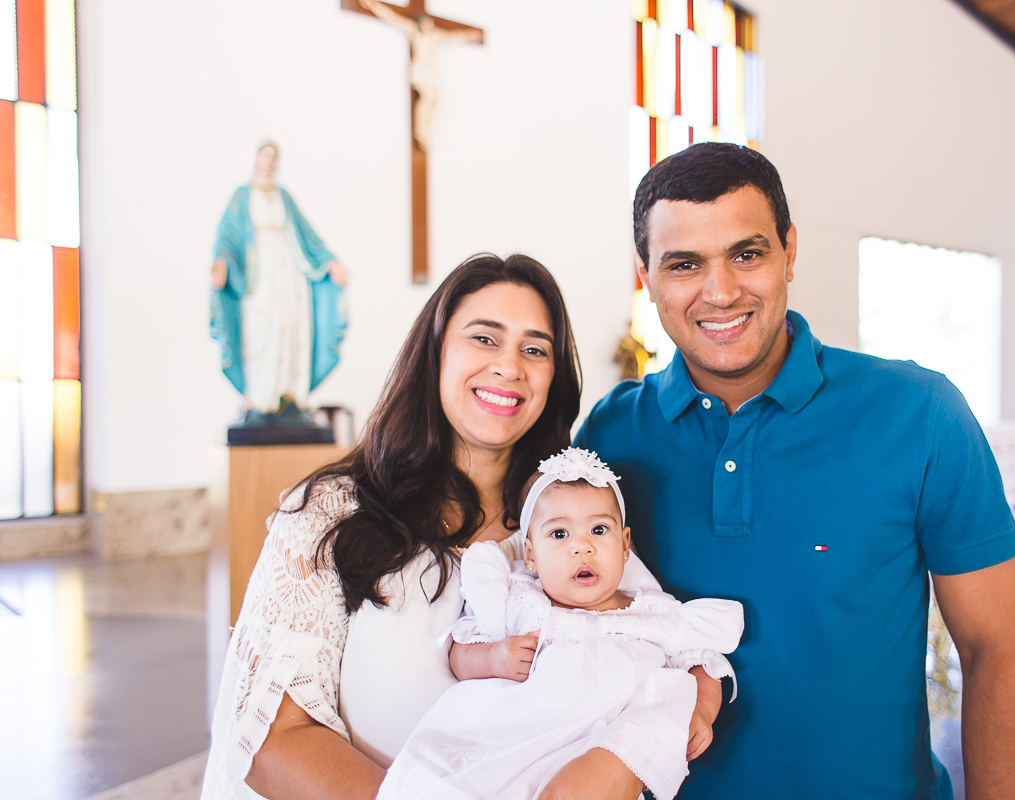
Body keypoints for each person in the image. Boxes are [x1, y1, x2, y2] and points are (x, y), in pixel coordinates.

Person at [575, 142, 1015, 799]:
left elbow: (997, 651)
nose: (721, 291)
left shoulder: (919, 412)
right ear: (647, 278)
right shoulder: (610, 434)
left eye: (747, 253)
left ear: (789, 251)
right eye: (684, 264)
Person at [201, 254, 643, 800]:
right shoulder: (330, 514)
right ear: (435, 354)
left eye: (535, 349)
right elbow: (272, 742)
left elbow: (646, 648)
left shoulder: (576, 525)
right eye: (484, 338)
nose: (510, 366)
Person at [377, 448, 744, 800]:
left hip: (595, 764)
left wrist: (701, 711)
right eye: (559, 534)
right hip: (509, 745)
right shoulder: (522, 602)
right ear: (531, 555)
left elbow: (701, 658)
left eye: (599, 530)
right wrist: (494, 658)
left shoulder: (650, 612)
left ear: (625, 545)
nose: (581, 547)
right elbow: (460, 651)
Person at [210, 142, 349, 414]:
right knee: (260, 329)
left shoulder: (283, 196)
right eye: (265, 155)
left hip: (288, 274)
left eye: (274, 157)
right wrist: (221, 261)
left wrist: (330, 262)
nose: (269, 162)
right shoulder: (242, 196)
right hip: (259, 276)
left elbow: (307, 234)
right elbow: (226, 234)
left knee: (290, 325)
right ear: (256, 158)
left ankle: (289, 393)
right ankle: (260, 396)